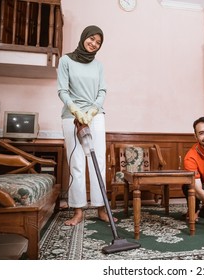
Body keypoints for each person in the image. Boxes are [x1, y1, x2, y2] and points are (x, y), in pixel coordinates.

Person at [57, 25, 112, 226]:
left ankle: (100, 208)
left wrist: (93, 110)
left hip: (95, 116)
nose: (94, 44)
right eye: (92, 39)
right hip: (71, 116)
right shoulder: (66, 60)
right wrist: (75, 111)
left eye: (98, 42)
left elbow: (102, 90)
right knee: (77, 164)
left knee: (98, 163)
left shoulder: (98, 65)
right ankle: (78, 210)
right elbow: (62, 90)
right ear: (84, 37)